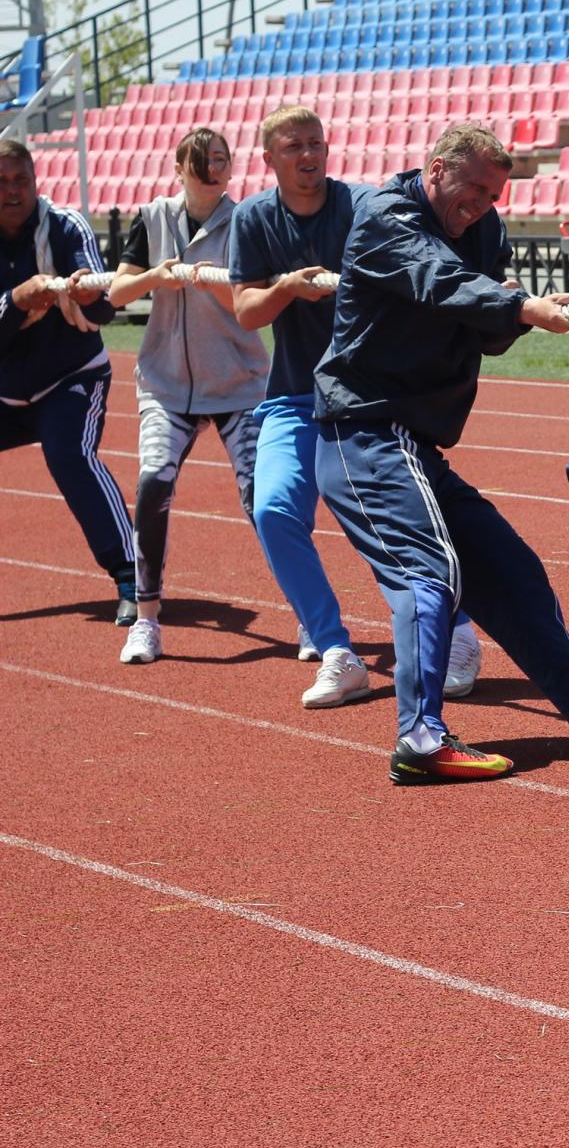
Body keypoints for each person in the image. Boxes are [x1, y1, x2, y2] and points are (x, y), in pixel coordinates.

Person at [313, 123, 569, 783]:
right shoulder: (386, 217)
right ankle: (418, 739)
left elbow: (483, 325)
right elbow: (440, 280)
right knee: (429, 573)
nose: (481, 202)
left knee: (512, 569)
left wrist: (526, 309)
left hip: (414, 444)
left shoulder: (485, 228)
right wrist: (518, 304)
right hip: (365, 434)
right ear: (436, 167)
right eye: (473, 186)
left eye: (494, 192)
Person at [230, 106, 488, 708]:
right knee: (270, 509)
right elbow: (245, 312)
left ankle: (459, 633)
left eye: (316, 142)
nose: (309, 153)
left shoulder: (363, 206)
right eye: (295, 145)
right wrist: (289, 286)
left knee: (389, 525)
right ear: (270, 157)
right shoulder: (253, 218)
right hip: (295, 397)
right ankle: (336, 651)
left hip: (363, 401)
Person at [107, 128, 265, 665]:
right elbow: (117, 292)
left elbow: (251, 300)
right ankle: (147, 619)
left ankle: (312, 624)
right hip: (166, 385)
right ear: (178, 166)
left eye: (221, 159)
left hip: (239, 382)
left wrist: (209, 281)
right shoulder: (151, 218)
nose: (213, 168)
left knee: (263, 500)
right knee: (153, 483)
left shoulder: (246, 220)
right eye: (202, 160)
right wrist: (158, 275)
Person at [0, 140, 136, 621]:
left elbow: (104, 307)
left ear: (37, 183)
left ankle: (131, 576)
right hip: (7, 388)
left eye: (21, 180)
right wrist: (16, 301)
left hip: (71, 376)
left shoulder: (65, 225)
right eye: (2, 182)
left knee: (69, 455)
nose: (13, 191)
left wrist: (85, 291)